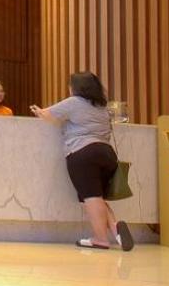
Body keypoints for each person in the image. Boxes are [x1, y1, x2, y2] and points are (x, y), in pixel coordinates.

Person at [31, 71, 132, 251]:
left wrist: (37, 110)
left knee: (91, 197)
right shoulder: (102, 107)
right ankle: (115, 227)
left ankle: (100, 239)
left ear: (75, 88)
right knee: (97, 197)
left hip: (83, 152)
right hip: (107, 154)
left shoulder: (74, 102)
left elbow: (47, 115)